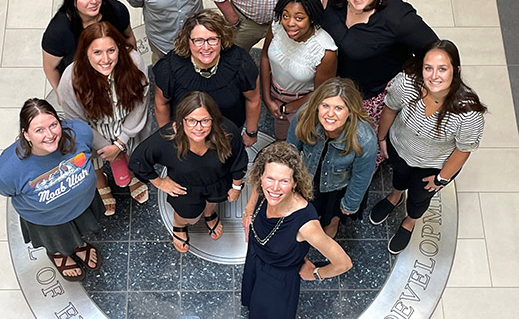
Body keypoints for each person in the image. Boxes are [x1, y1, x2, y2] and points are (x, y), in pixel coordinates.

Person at [321, 0, 438, 167]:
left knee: (364, 144)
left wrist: (416, 83)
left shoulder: (398, 18)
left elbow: (434, 50)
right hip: (336, 80)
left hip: (373, 93)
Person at [370, 40, 486, 254]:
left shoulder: (467, 113)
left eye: (442, 69)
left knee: (419, 198)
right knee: (399, 177)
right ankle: (394, 196)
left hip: (432, 167)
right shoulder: (407, 84)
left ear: (456, 70)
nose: (434, 76)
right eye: (428, 68)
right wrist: (382, 138)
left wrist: (442, 178)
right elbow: (390, 109)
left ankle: (410, 221)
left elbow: (463, 149)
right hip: (400, 148)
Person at [0, 98, 103, 282]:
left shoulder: (80, 132)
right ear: (25, 134)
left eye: (53, 125)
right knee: (56, 242)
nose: (50, 135)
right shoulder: (7, 170)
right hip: (46, 220)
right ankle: (59, 253)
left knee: (80, 232)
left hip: (83, 205)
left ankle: (78, 245)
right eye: (39, 130)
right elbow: (5, 190)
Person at [241, 141, 352, 319]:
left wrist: (316, 274)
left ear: (294, 183)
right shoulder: (265, 189)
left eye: (284, 181)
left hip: (278, 278)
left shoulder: (306, 223)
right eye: (270, 178)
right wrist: (249, 210)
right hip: (256, 255)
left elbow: (344, 263)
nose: (275, 188)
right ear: (261, 176)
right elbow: (259, 187)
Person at [129, 91, 248, 253]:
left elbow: (239, 160)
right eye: (191, 121)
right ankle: (179, 224)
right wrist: (159, 182)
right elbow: (138, 160)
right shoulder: (168, 138)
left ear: (213, 119)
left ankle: (209, 213)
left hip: (217, 182)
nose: (198, 128)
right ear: (180, 120)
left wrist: (236, 187)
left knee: (213, 201)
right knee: (190, 217)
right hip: (185, 188)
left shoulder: (227, 132)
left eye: (205, 120)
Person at [58, 22, 150, 215]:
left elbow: (141, 102)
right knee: (92, 158)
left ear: (119, 48)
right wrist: (105, 147)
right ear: (85, 53)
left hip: (127, 125)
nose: (106, 59)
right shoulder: (71, 79)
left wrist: (120, 143)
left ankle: (132, 175)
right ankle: (101, 182)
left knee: (132, 151)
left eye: (111, 50)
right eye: (97, 52)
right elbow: (78, 122)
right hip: (93, 131)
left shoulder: (134, 62)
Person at [153, 9, 261, 147]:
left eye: (212, 39)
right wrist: (168, 136)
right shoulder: (169, 68)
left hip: (228, 135)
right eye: (198, 40)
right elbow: (161, 104)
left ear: (221, 39)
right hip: (187, 136)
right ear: (188, 41)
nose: (206, 47)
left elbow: (253, 99)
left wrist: (251, 132)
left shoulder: (241, 63)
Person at [287, 78, 377, 238]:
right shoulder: (305, 116)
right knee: (313, 207)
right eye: (325, 105)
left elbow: (361, 176)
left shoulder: (365, 139)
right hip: (310, 174)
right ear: (317, 106)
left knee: (333, 213)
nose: (330, 114)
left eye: (339, 108)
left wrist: (350, 204)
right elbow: (291, 151)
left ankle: (332, 222)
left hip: (339, 186)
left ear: (350, 111)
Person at [42, 0, 137, 102]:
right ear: (73, 1)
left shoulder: (116, 10)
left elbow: (129, 38)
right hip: (82, 80)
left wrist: (133, 69)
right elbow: (50, 67)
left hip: (115, 70)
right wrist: (60, 94)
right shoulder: (58, 31)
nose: (93, 1)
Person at [261, 0, 337, 139]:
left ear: (312, 18)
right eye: (285, 16)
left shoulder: (324, 50)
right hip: (274, 94)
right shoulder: (277, 26)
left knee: (301, 140)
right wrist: (267, 97)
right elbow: (264, 57)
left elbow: (320, 93)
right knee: (281, 139)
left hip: (303, 104)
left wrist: (286, 108)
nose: (290, 23)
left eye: (299, 18)